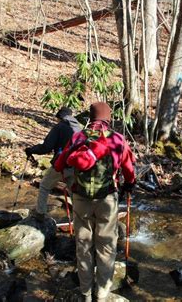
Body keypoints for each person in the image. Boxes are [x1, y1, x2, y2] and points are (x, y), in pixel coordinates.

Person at [55, 102, 136, 302]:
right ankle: (101, 294)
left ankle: (85, 293)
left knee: (83, 246)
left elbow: (61, 164)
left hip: (80, 198)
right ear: (108, 118)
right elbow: (129, 170)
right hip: (106, 199)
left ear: (90, 118)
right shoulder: (117, 139)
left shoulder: (78, 137)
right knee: (106, 246)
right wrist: (129, 185)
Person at [25, 107, 81, 221]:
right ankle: (78, 217)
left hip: (61, 163)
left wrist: (31, 150)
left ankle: (40, 213)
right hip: (75, 165)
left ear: (60, 117)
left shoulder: (59, 127)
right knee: (73, 191)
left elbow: (46, 147)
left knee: (44, 186)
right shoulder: (79, 128)